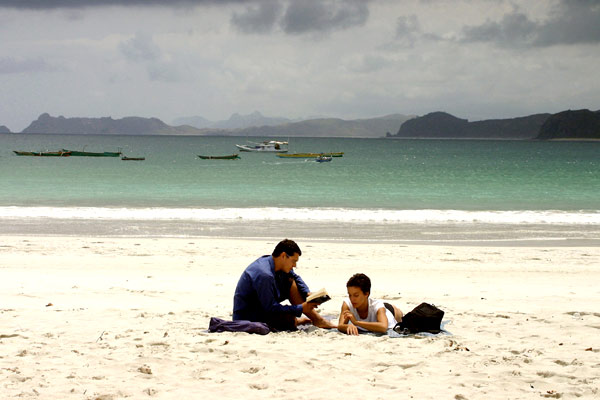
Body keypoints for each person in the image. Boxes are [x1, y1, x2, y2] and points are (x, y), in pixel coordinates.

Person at [233, 239, 335, 331]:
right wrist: (300, 308)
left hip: (261, 306)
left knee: (290, 281)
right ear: (283, 256)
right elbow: (271, 308)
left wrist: (306, 292)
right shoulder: (265, 275)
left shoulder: (274, 263)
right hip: (249, 316)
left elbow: (295, 277)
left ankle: (316, 319)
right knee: (288, 321)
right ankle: (312, 320)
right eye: (293, 261)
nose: (295, 265)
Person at [338, 273, 403, 335]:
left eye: (356, 295)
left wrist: (356, 322)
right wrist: (347, 326)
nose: (352, 299)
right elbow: (340, 325)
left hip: (389, 312)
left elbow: (383, 327)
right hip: (373, 307)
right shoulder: (347, 303)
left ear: (366, 294)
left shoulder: (377, 305)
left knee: (399, 317)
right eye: (349, 295)